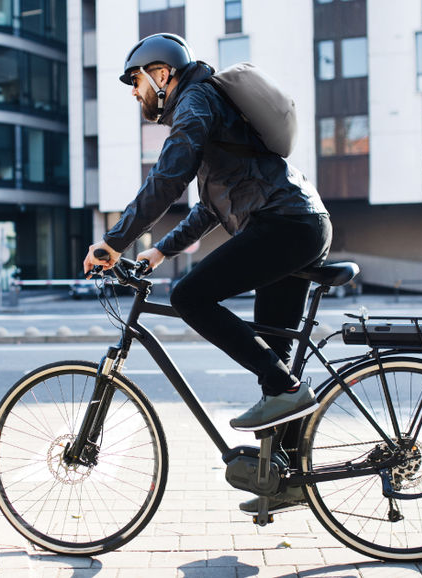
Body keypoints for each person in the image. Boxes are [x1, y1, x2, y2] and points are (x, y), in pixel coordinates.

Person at [82, 33, 332, 513]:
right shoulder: (210, 105)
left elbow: (168, 177)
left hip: (285, 225)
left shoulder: (196, 100)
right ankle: (287, 480)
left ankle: (287, 392)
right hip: (298, 222)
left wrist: (113, 241)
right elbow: (210, 206)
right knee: (273, 357)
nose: (135, 93)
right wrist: (157, 253)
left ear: (161, 74)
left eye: (135, 81)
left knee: (190, 297)